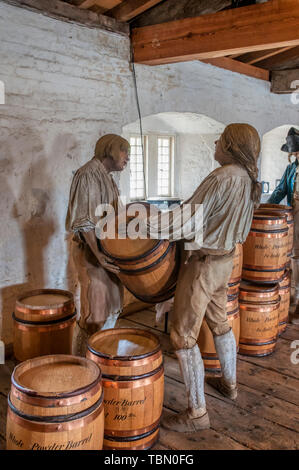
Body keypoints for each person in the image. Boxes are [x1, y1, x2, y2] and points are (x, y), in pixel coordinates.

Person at [145, 124, 261, 432]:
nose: (215, 142)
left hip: (204, 263)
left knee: (182, 336)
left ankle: (197, 412)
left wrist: (146, 224)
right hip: (225, 260)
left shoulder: (221, 177)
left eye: (220, 139)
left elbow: (186, 221)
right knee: (220, 322)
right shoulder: (248, 179)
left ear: (231, 146)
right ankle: (229, 384)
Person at [66, 134, 130, 356]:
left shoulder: (107, 177)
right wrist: (100, 256)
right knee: (94, 315)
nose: (128, 158)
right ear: (111, 150)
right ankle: (82, 367)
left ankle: (101, 361)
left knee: (111, 309)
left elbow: (116, 216)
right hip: (92, 254)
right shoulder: (88, 175)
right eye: (125, 152)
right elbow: (84, 223)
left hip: (107, 253)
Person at [267, 127, 299, 318]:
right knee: (295, 256)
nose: (294, 155)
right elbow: (280, 191)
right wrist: (266, 207)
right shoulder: (291, 169)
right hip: (295, 216)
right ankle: (296, 297)